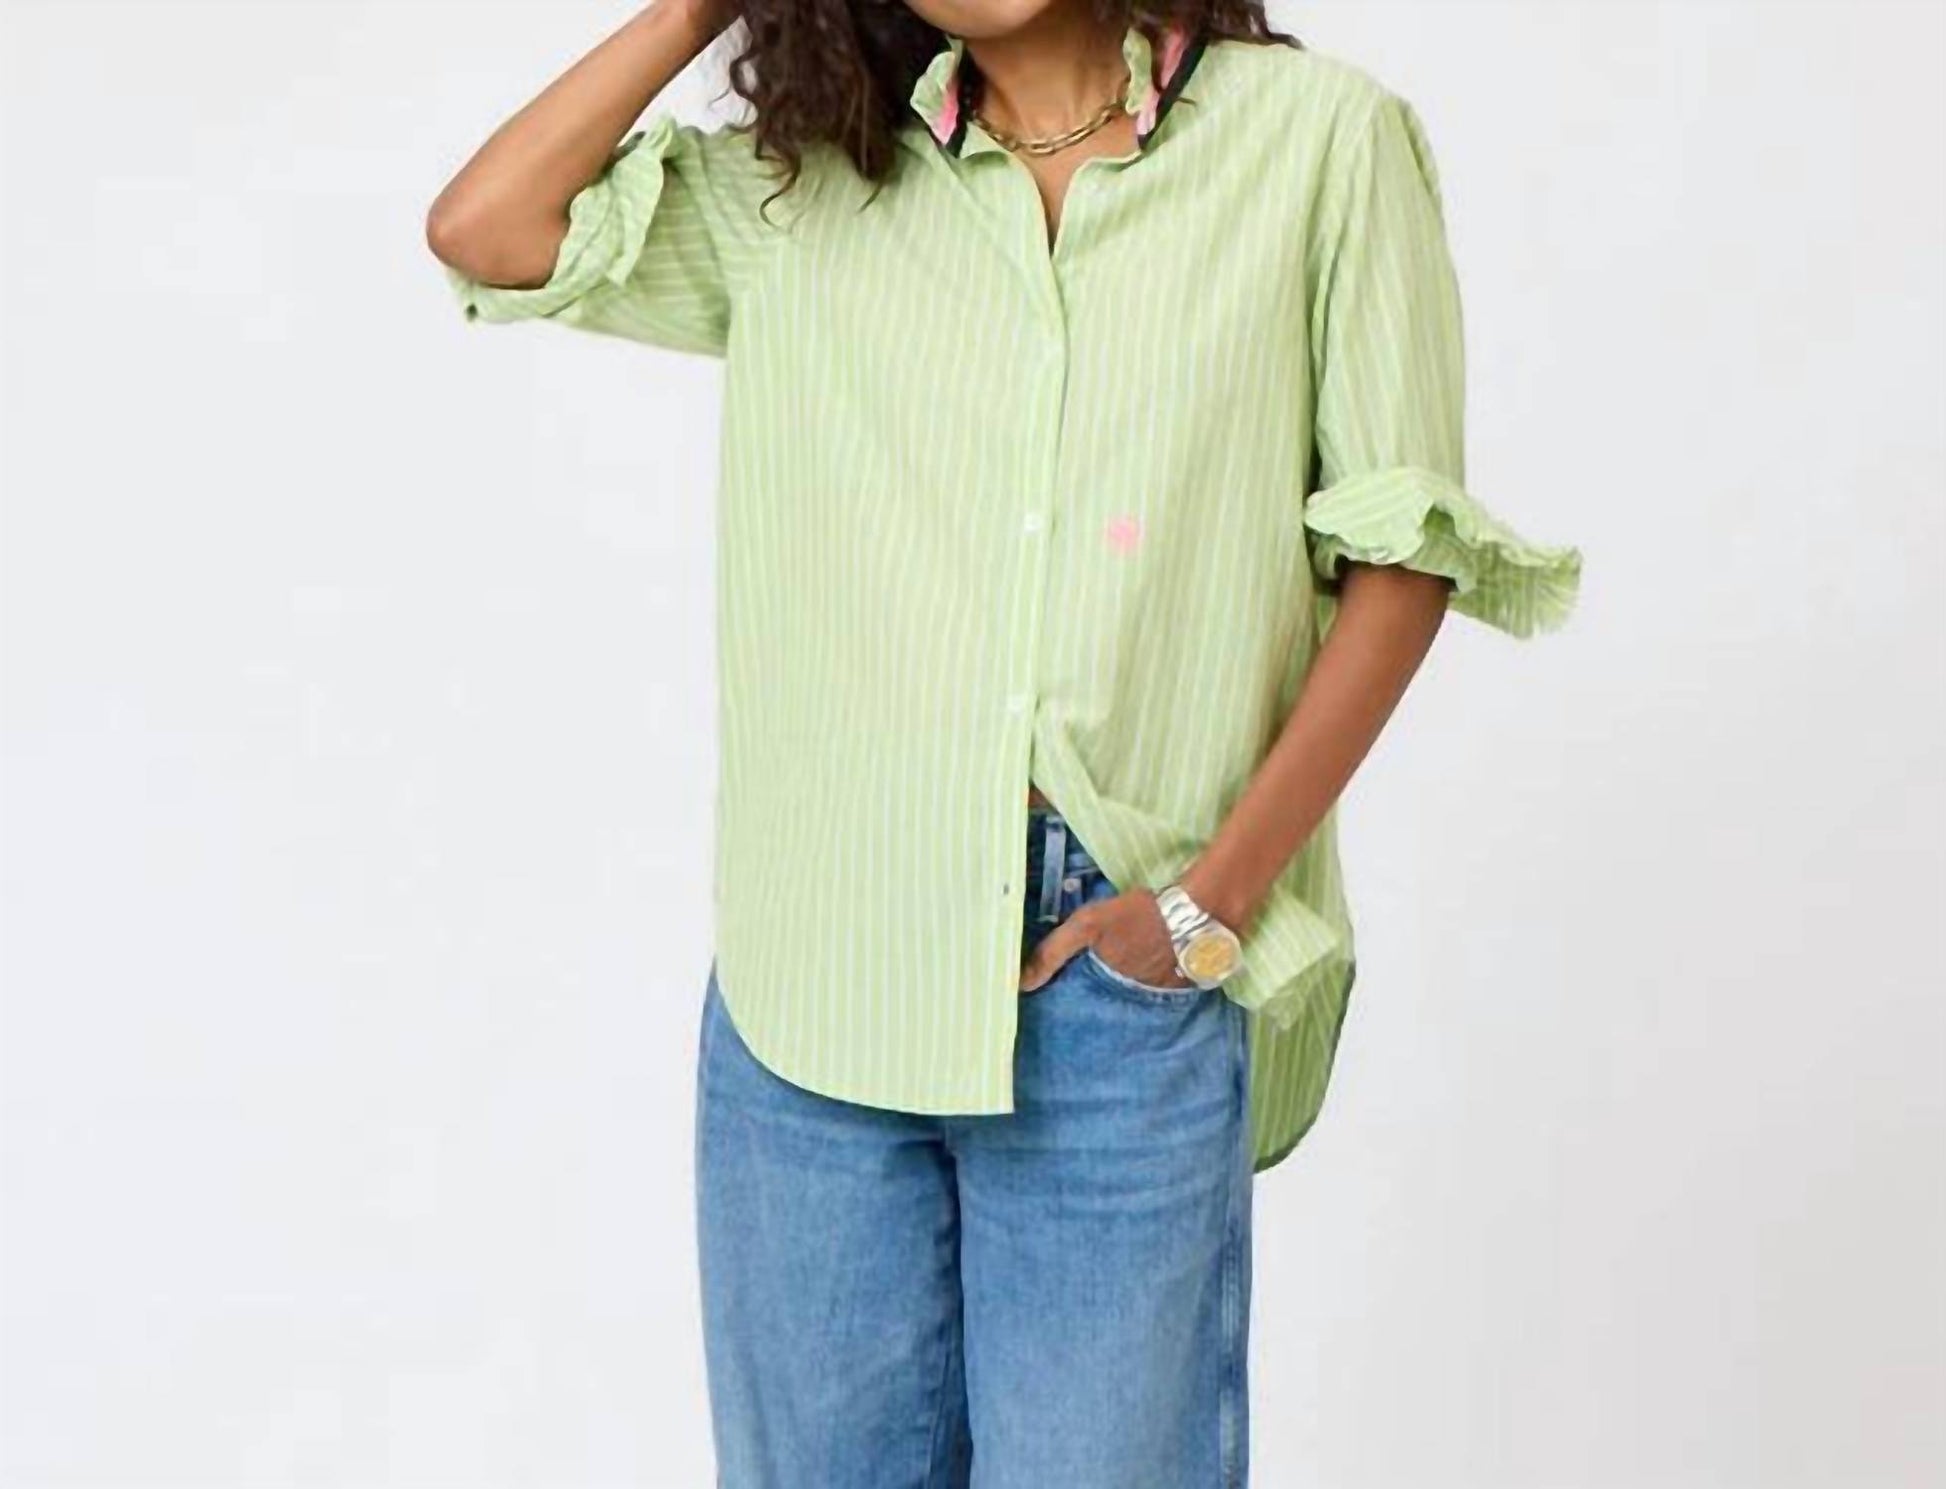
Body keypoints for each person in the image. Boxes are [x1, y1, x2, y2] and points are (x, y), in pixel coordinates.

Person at [427, 0, 1581, 1480]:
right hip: (820, 974)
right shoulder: (805, 190)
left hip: (1122, 966)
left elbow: (1400, 562)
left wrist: (1204, 904)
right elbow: (488, 228)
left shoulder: (1318, 144)